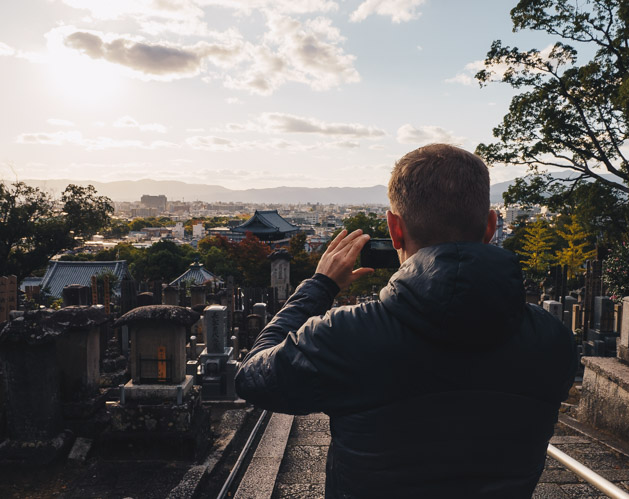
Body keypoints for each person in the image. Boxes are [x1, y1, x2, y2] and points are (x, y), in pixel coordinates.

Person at [235, 144, 578, 498]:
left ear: (394, 229)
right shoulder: (554, 341)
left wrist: (319, 286)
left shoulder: (346, 335)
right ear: (490, 225)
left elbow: (252, 377)